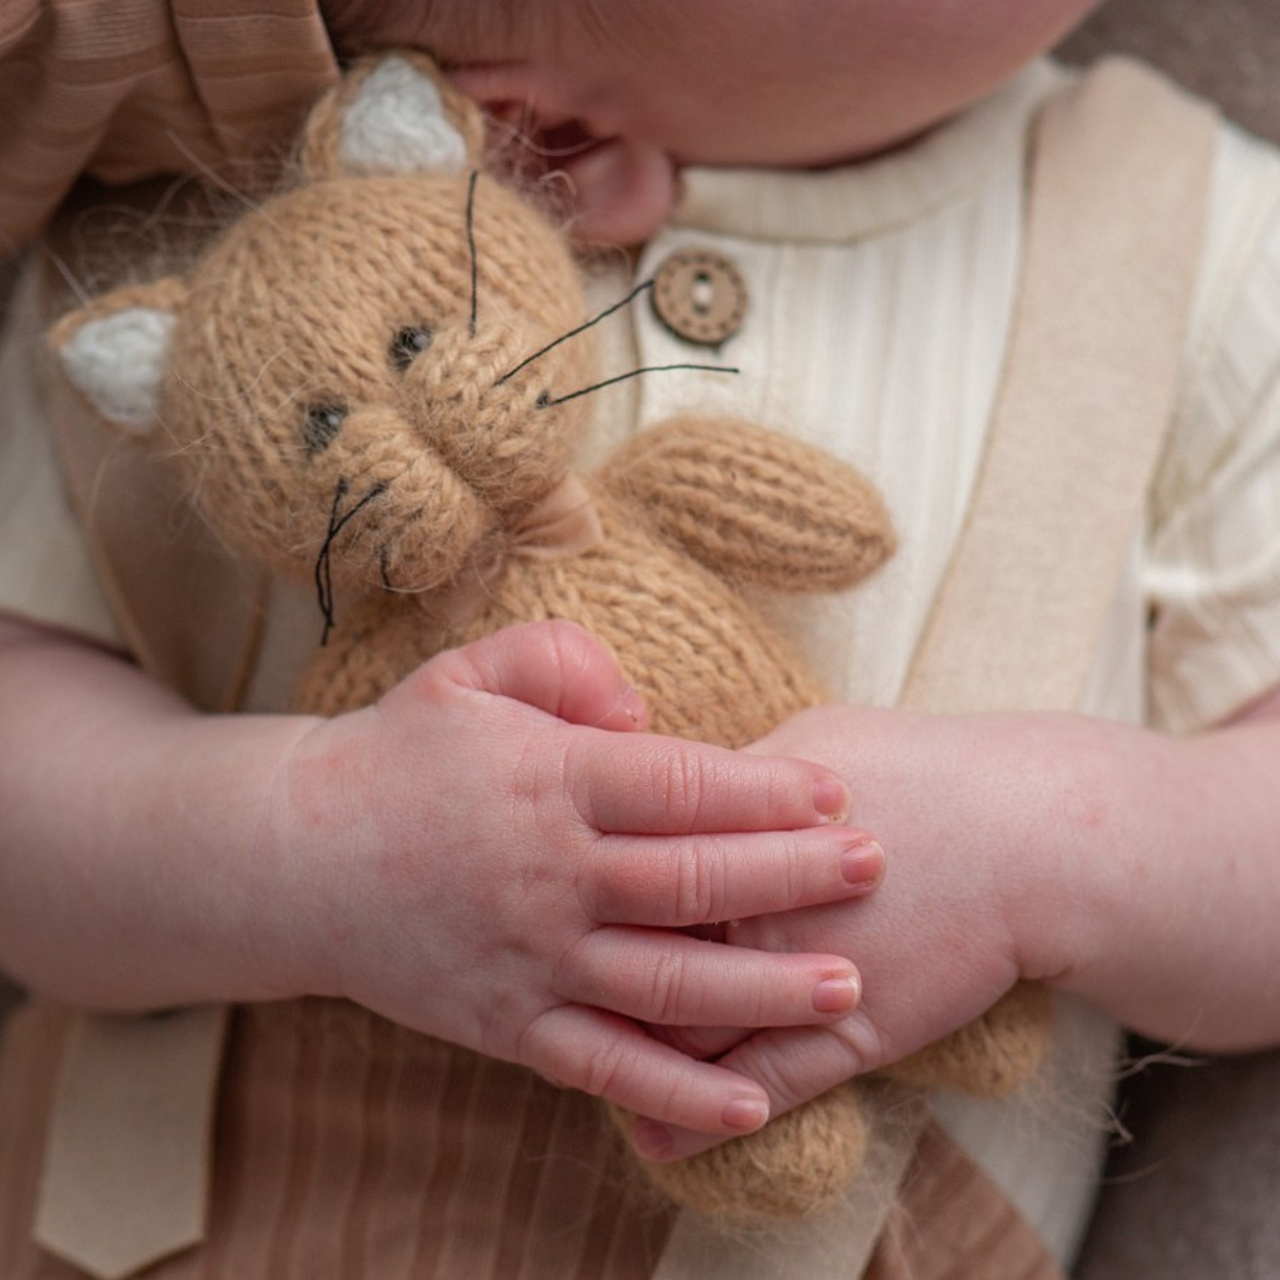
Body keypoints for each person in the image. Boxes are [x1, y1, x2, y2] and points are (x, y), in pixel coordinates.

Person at [3, 0, 1280, 1275]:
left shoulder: (1191, 234)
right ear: (538, 136)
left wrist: (1060, 844)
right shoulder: (202, 293)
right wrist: (307, 850)